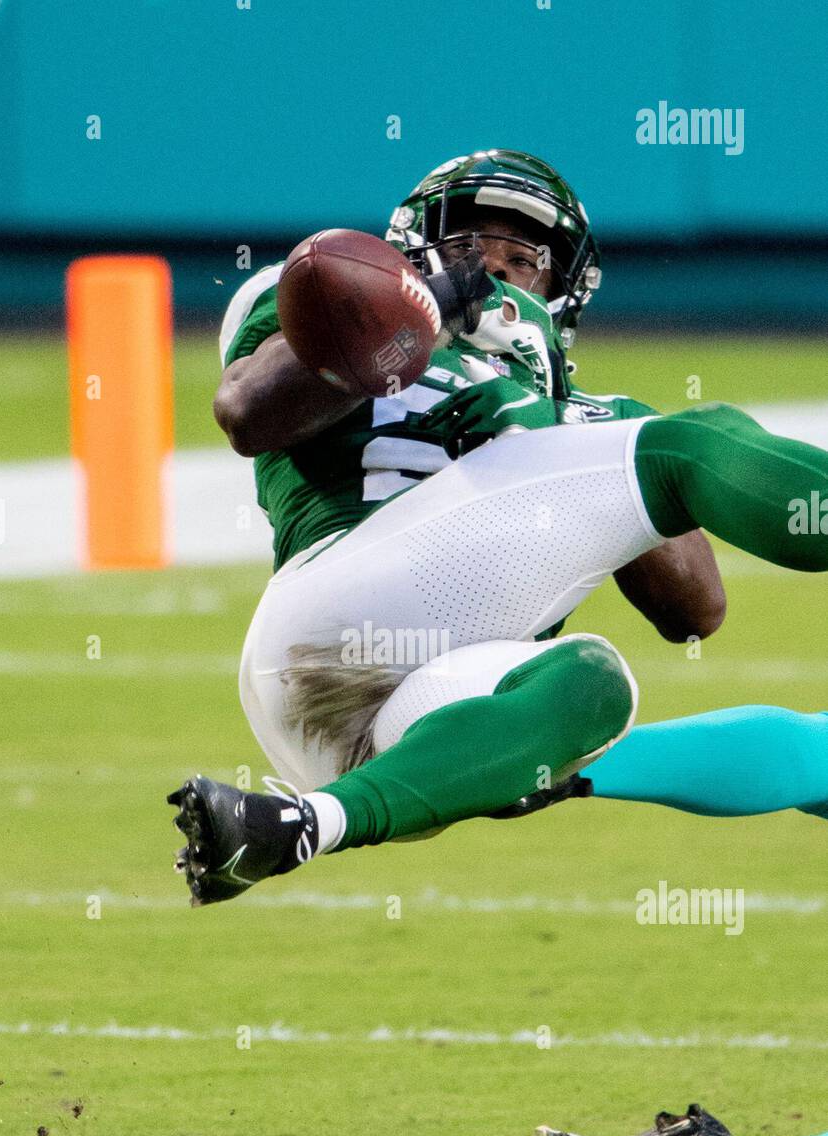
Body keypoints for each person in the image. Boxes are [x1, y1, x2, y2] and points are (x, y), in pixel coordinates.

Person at [169, 150, 828, 904]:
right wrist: (427, 312)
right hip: (341, 591)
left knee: (591, 685)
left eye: (526, 260)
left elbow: (693, 612)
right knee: (695, 439)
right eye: (469, 246)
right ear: (415, 245)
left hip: (381, 720)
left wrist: (551, 420)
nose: (498, 269)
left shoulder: (585, 411)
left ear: (560, 294)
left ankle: (294, 825)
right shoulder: (350, 304)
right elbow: (248, 412)